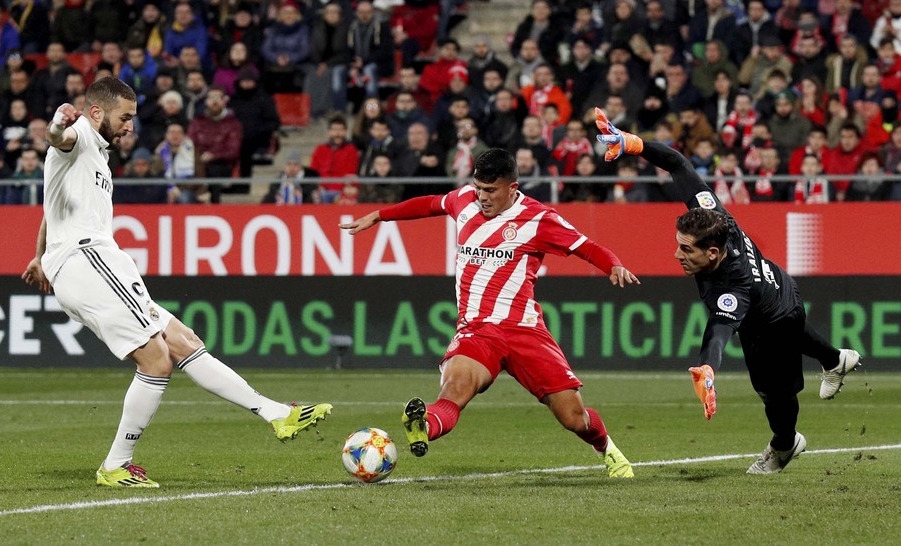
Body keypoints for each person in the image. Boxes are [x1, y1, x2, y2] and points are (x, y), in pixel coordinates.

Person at [20, 77, 332, 489]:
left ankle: (276, 414)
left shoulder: (94, 157)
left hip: (86, 262)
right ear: (96, 113)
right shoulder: (79, 137)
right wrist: (59, 123)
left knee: (183, 341)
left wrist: (40, 256)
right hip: (88, 259)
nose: (131, 126)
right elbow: (58, 137)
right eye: (124, 117)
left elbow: (50, 207)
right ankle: (116, 464)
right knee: (156, 359)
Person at [339, 148, 638, 479]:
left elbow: (587, 247)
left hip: (525, 331)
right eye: (478, 188)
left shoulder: (539, 219)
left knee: (572, 417)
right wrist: (381, 215)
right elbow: (428, 204)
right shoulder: (463, 199)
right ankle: (424, 425)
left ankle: (607, 448)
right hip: (477, 330)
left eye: (490, 190)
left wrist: (613, 264)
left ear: (512, 187)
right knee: (454, 389)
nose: (481, 197)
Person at [594, 107, 862, 474]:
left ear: (713, 253)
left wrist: (707, 368)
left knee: (774, 393)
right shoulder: (713, 215)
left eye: (687, 250)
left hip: (769, 320)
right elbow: (678, 165)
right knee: (792, 338)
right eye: (679, 244)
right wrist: (632, 143)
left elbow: (719, 330)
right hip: (780, 284)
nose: (677, 254)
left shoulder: (732, 287)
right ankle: (835, 359)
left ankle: (785, 445)